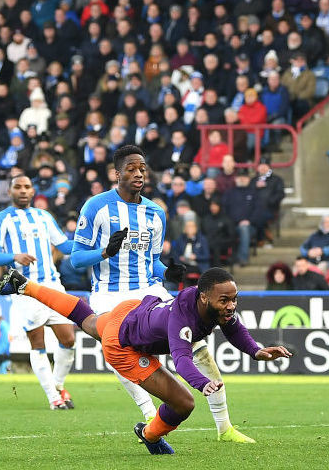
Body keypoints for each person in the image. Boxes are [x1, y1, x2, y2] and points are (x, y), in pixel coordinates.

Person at [0, 266, 291, 455]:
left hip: (131, 312)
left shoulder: (211, 303)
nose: (231, 306)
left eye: (234, 299)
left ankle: (25, 286)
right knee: (184, 403)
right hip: (124, 344)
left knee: (85, 319)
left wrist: (256, 351)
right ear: (203, 298)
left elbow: (234, 327)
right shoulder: (183, 319)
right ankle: (149, 434)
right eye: (224, 301)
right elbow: (181, 358)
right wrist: (202, 384)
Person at [69, 145, 253, 442]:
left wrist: (167, 271)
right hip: (109, 294)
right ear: (117, 173)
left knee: (199, 349)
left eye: (142, 168)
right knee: (120, 352)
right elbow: (76, 258)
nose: (138, 173)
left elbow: (151, 260)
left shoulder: (155, 212)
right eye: (131, 168)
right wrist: (105, 252)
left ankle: (225, 427)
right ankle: (148, 416)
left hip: (149, 291)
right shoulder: (96, 207)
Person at [0, 174, 77, 408]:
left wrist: (90, 244)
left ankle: (58, 386)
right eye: (18, 187)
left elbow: (64, 245)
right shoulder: (1, 220)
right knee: (38, 343)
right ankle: (53, 398)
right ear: (10, 191)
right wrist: (14, 256)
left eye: (27, 186)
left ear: (33, 190)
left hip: (54, 285)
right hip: (26, 289)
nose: (24, 191)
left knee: (68, 340)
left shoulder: (43, 216)